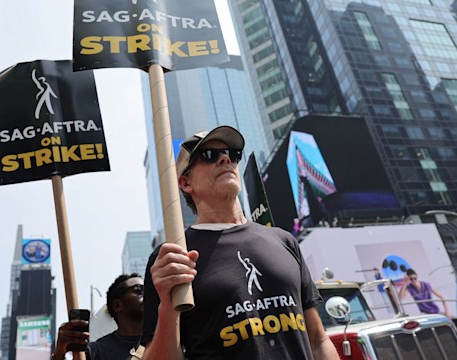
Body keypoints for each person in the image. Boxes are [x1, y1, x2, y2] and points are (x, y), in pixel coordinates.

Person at [140, 126, 339, 360]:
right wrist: (167, 306)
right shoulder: (173, 258)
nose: (225, 158)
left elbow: (318, 340)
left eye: (231, 154)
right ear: (185, 183)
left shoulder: (283, 240)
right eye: (208, 156)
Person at [52, 274, 144, 360]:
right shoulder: (96, 353)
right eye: (139, 290)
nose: (147, 294)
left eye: (148, 289)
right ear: (117, 305)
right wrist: (59, 354)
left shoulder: (157, 343)